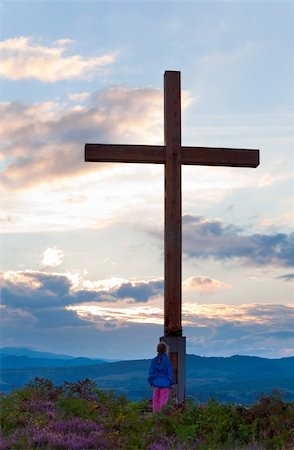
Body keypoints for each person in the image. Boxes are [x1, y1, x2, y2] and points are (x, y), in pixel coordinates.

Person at [148, 341, 174, 412]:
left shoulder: (154, 361)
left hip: (156, 383)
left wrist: (150, 382)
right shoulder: (167, 361)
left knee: (155, 399)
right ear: (165, 350)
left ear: (157, 350)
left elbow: (151, 372)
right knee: (163, 400)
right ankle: (161, 414)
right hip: (165, 383)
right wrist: (171, 383)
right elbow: (170, 373)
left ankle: (155, 414)